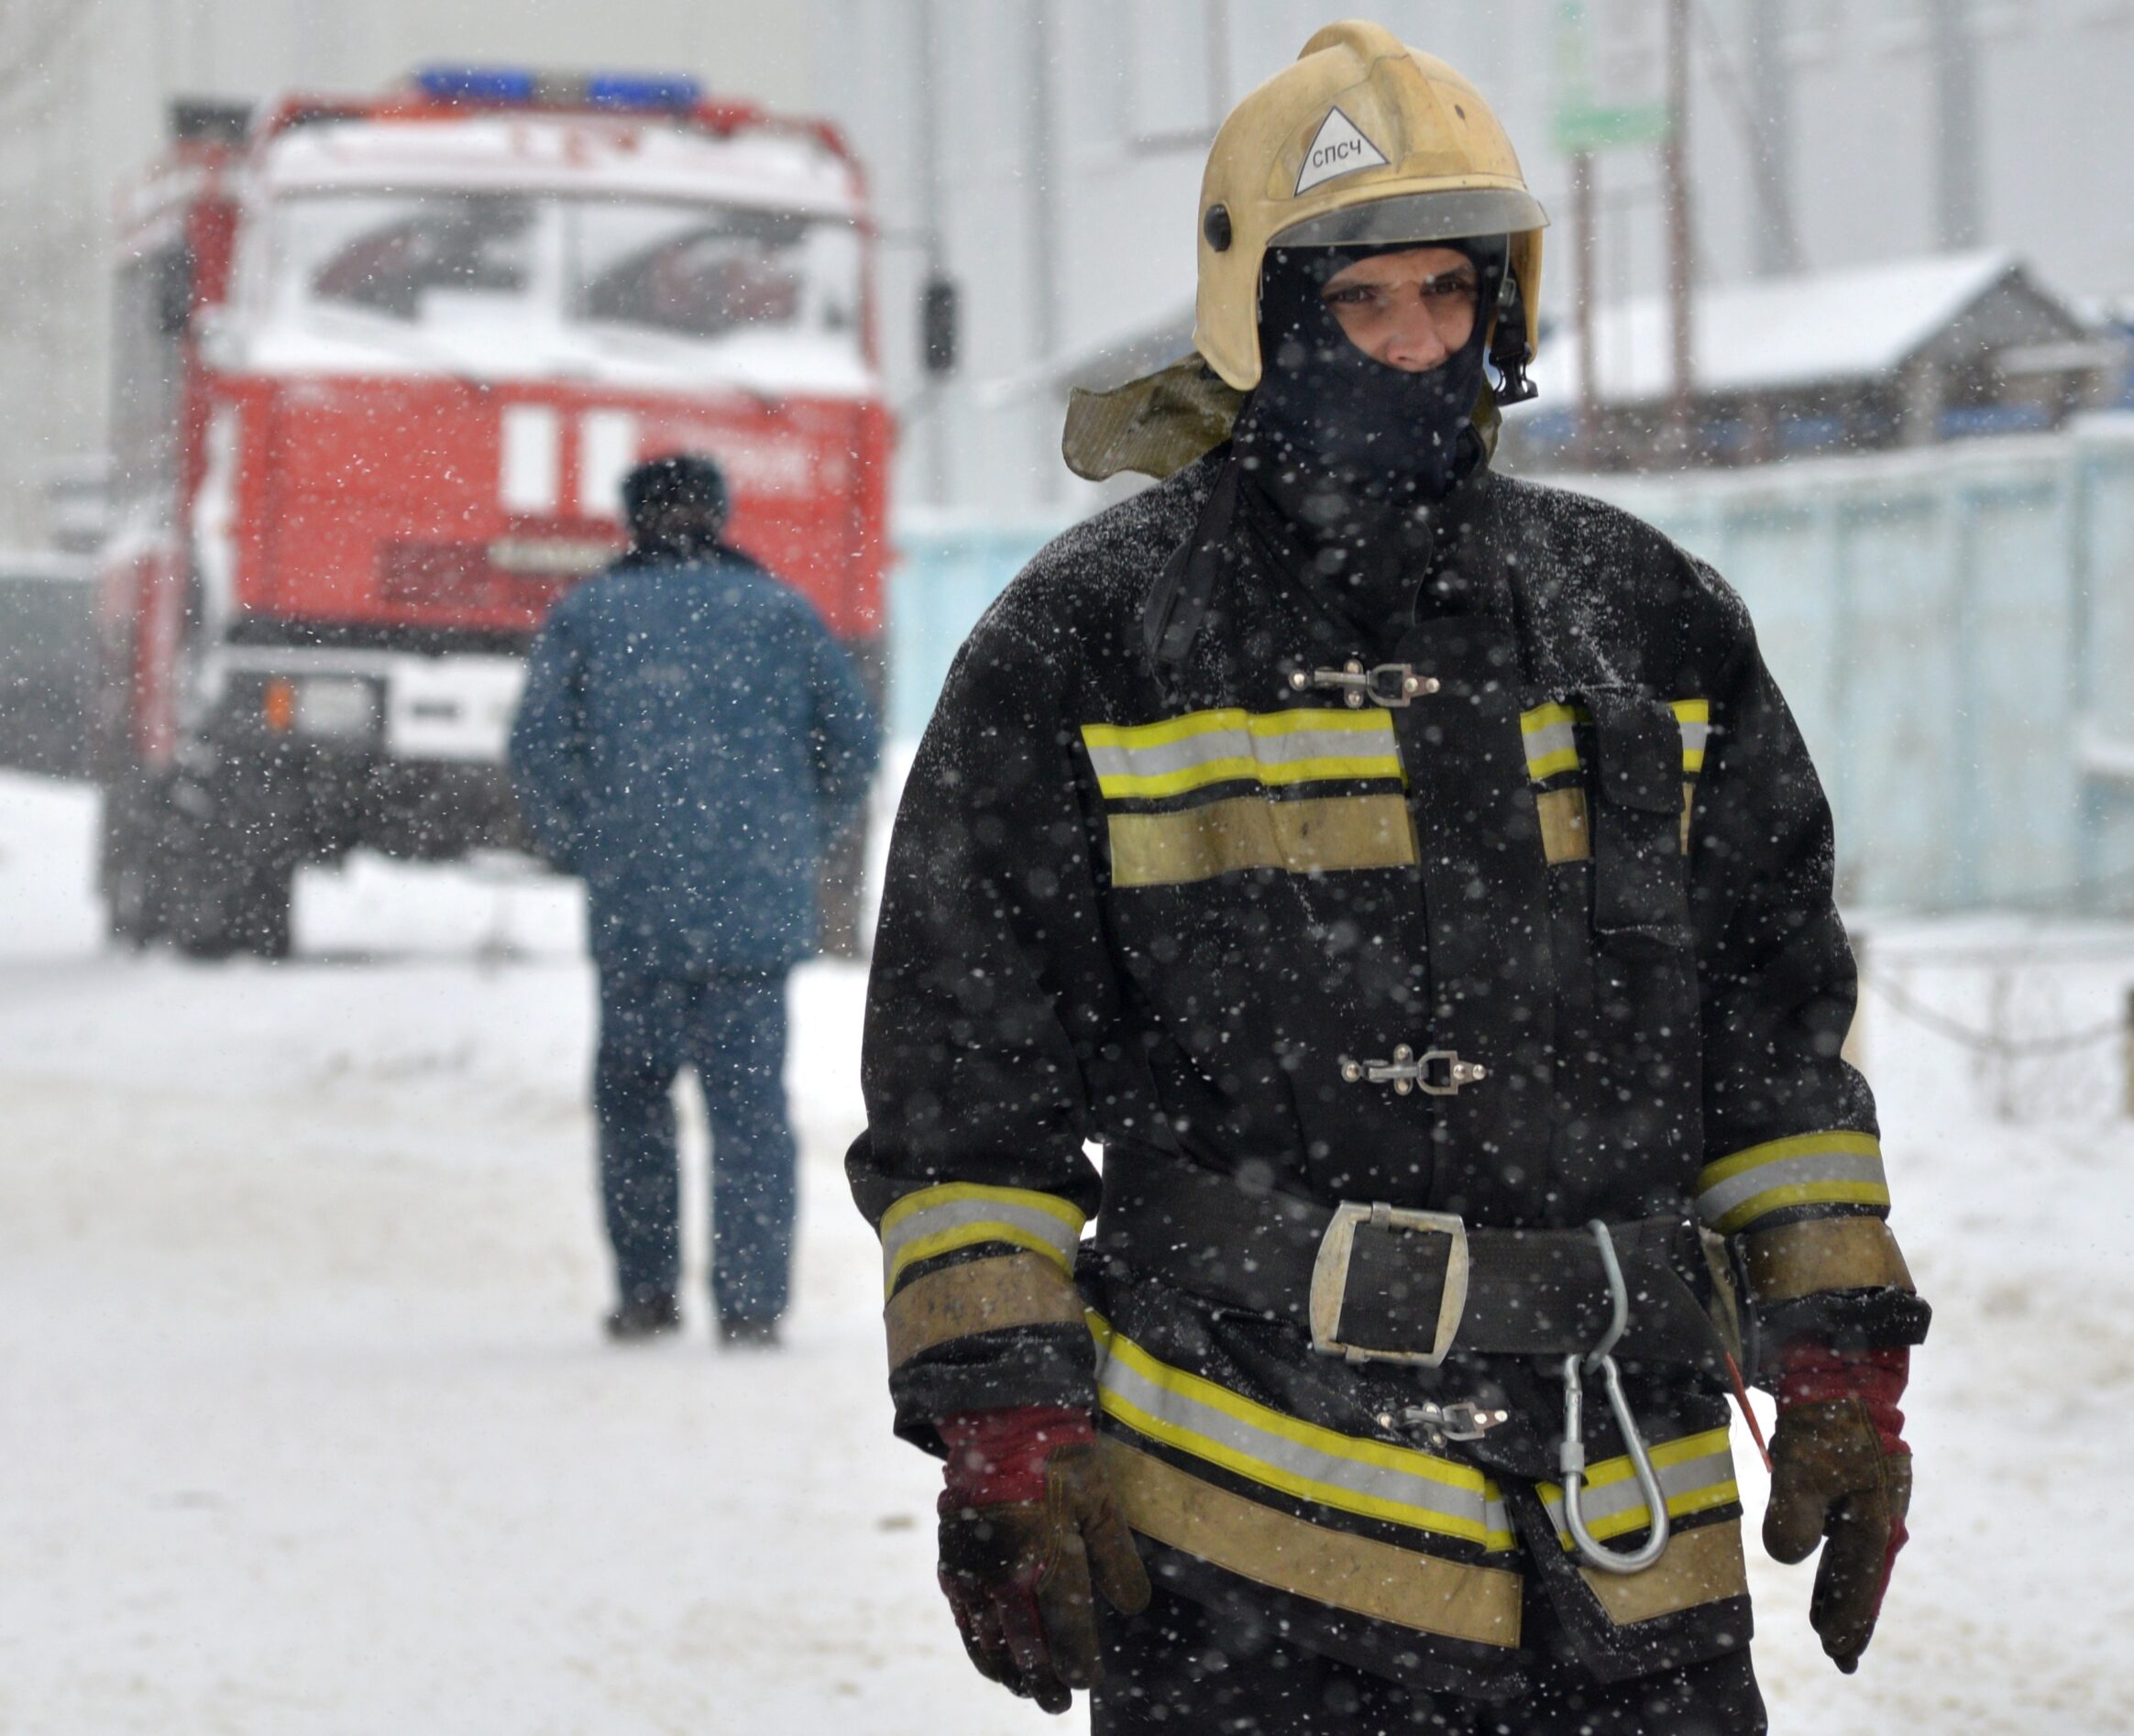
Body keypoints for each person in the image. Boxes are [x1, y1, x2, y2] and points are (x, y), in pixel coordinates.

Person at [851, 20, 1927, 1730]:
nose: (1417, 346)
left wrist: (1845, 1344)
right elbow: (965, 1083)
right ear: (1262, 310)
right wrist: (1003, 1414)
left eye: (1450, 295)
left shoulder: (1647, 619)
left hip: (1629, 1544)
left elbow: (1776, 1037)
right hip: (1243, 1539)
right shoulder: (1091, 639)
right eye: (1363, 301)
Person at [511, 454, 878, 1348]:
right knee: (750, 1111)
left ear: (632, 520)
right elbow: (855, 745)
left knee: (634, 1102)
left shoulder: (589, 616)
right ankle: (752, 1304)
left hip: (635, 912)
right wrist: (797, 840)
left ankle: (646, 1294)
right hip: (754, 913)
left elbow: (537, 753)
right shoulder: (783, 615)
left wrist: (587, 846)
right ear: (718, 515)